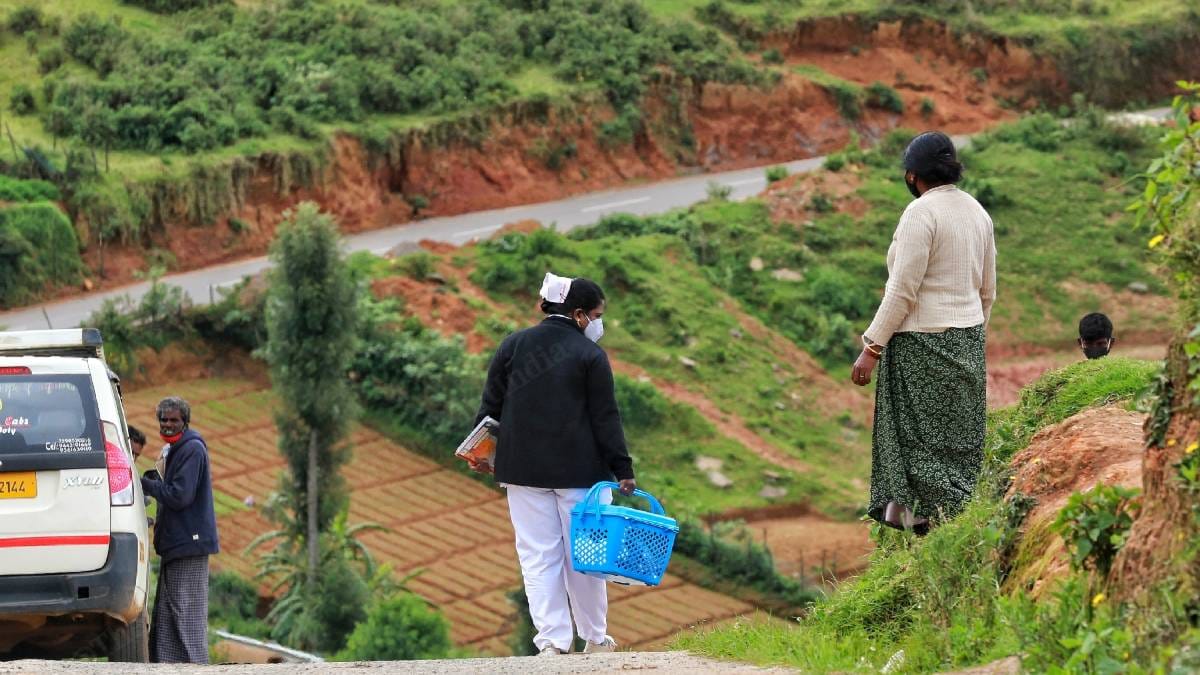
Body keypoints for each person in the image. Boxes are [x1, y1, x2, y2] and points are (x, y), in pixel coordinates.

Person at [475, 272, 636, 656]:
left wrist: (480, 453)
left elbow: (489, 410)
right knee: (586, 556)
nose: (598, 323)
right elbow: (605, 418)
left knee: (538, 556)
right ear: (579, 315)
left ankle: (552, 642)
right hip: (581, 475)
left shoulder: (513, 345)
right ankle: (595, 639)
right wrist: (623, 469)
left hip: (522, 471)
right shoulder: (590, 356)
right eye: (596, 315)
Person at [851, 131, 997, 535]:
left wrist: (872, 348)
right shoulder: (977, 212)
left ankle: (926, 530)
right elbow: (988, 290)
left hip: (920, 344)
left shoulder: (921, 213)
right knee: (957, 438)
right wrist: (969, 332)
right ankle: (959, 520)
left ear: (913, 175)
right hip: (967, 339)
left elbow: (902, 290)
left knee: (917, 445)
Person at [140, 397, 219, 664]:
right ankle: (168, 663)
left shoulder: (192, 449)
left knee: (185, 609)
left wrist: (146, 485)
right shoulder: (175, 448)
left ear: (185, 421)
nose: (168, 425)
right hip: (178, 543)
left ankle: (192, 664)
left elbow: (179, 496)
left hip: (188, 543)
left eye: (174, 420)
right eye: (164, 420)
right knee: (169, 607)